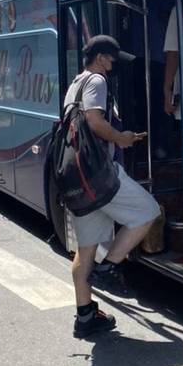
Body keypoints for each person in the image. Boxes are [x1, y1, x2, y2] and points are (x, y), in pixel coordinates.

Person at [65, 35, 159, 338]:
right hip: (100, 175)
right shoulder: (96, 81)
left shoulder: (75, 84)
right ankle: (110, 268)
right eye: (112, 58)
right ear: (101, 58)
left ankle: (85, 316)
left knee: (85, 251)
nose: (114, 64)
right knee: (148, 211)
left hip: (79, 180)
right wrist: (123, 138)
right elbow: (94, 121)